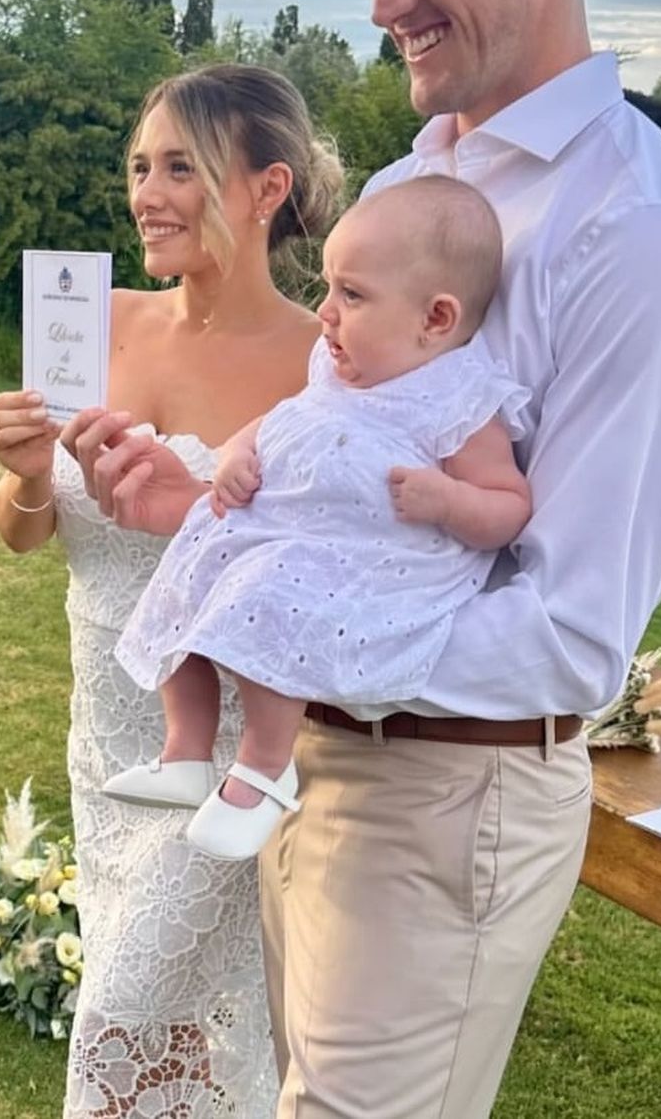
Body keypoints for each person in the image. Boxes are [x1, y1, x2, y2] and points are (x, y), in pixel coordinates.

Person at [64, 0, 661, 1119]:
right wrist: (202, 501)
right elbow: (339, 458)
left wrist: (291, 629)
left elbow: (569, 634)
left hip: (452, 790)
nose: (385, 0)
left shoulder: (652, 239)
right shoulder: (412, 179)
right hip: (315, 751)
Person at [0, 63, 342, 1117]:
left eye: (181, 167)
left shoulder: (325, 364)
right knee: (159, 1028)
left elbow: (331, 571)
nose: (147, 193)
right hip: (108, 738)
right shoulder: (96, 320)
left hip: (231, 748)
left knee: (128, 1014)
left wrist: (188, 508)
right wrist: (24, 473)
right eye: (140, 167)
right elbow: (26, 533)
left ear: (267, 188)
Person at [106, 180, 532, 861]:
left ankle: (265, 766)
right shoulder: (335, 370)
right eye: (330, 288)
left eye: (352, 295)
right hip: (279, 529)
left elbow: (509, 503)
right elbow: (280, 420)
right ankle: (186, 749)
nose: (325, 311)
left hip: (358, 561)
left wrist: (449, 502)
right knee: (189, 569)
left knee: (271, 596)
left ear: (436, 318)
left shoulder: (457, 400)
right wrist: (236, 455)